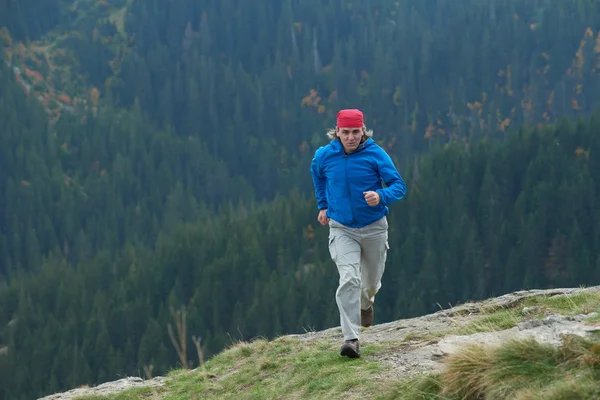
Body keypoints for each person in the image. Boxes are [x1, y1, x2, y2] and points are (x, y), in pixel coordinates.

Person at [310, 109, 407, 358]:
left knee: (371, 283)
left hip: (374, 227)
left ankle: (366, 303)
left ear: (363, 131)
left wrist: (381, 196)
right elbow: (317, 174)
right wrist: (323, 205)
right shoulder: (324, 155)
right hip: (341, 228)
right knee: (349, 278)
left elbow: (399, 186)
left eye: (356, 132)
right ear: (337, 131)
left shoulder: (375, 154)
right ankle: (351, 339)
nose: (351, 137)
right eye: (346, 132)